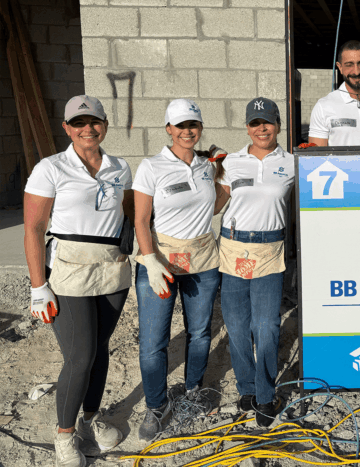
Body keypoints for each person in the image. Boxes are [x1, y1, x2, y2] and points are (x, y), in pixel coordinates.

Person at [24, 95, 131, 467]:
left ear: (104, 125)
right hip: (69, 269)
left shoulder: (119, 167)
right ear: (67, 128)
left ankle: (89, 420)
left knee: (99, 348)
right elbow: (34, 228)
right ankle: (65, 435)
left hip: (111, 269)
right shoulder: (51, 168)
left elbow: (130, 213)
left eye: (94, 121)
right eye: (79, 123)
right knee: (80, 355)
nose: (88, 128)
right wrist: (39, 285)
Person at [132, 99, 222, 441]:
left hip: (202, 261)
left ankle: (193, 390)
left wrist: (223, 171)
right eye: (180, 126)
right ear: (169, 129)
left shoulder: (205, 165)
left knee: (199, 333)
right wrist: (150, 259)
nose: (187, 131)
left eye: (193, 125)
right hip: (162, 262)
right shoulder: (152, 166)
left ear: (200, 128)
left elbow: (214, 206)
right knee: (153, 342)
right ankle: (156, 406)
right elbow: (141, 220)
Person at [213, 98, 294, 428]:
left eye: (268, 122)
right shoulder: (231, 162)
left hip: (270, 250)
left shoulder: (291, 163)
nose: (262, 128)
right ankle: (246, 388)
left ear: (278, 125)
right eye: (255, 123)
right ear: (247, 127)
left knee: (266, 326)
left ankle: (265, 395)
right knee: (236, 324)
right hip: (234, 247)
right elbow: (216, 204)